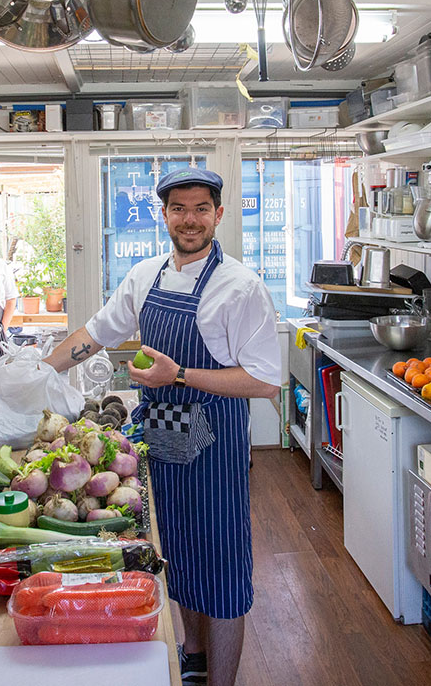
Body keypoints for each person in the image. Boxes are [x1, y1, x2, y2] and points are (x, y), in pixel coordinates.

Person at [46, 168, 280, 686]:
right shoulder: (145, 275)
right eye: (179, 209)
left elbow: (265, 381)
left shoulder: (240, 287)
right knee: (173, 552)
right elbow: (97, 332)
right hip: (161, 439)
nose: (190, 219)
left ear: (219, 214)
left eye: (201, 208)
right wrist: (40, 371)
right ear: (164, 215)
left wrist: (180, 374)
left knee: (219, 568)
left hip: (214, 447)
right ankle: (191, 657)